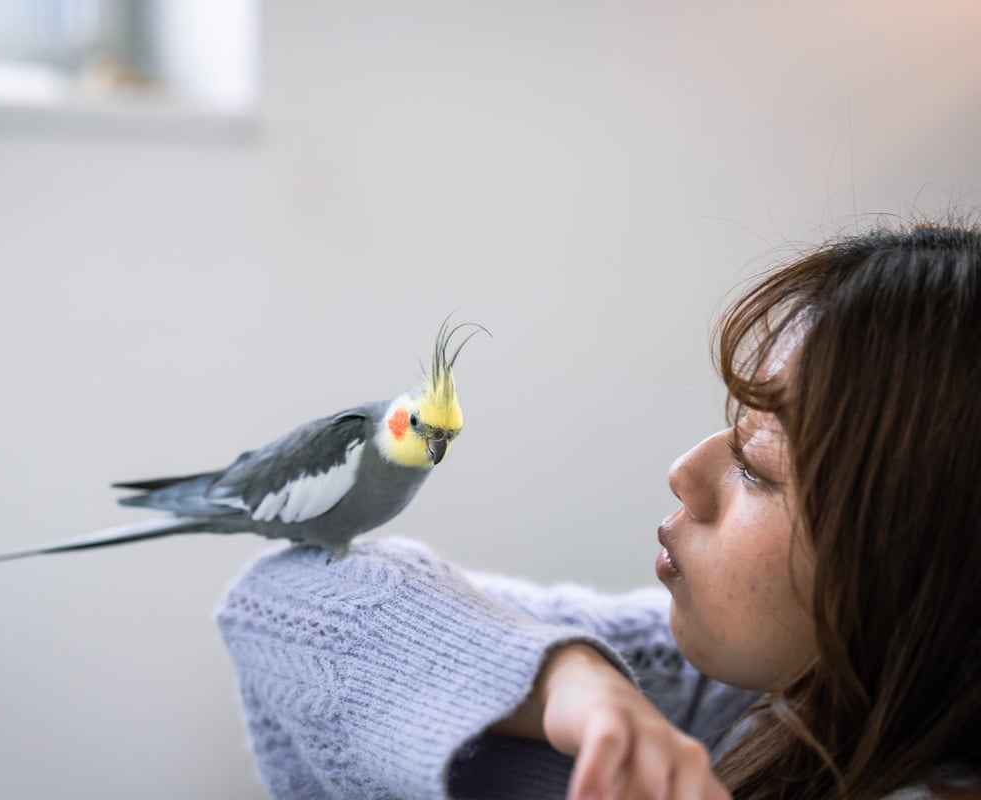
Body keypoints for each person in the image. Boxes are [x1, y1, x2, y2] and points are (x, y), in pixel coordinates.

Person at [215, 222, 981, 799]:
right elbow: (278, 605)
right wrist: (565, 682)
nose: (686, 473)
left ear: (921, 558)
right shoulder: (744, 692)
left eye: (757, 466)